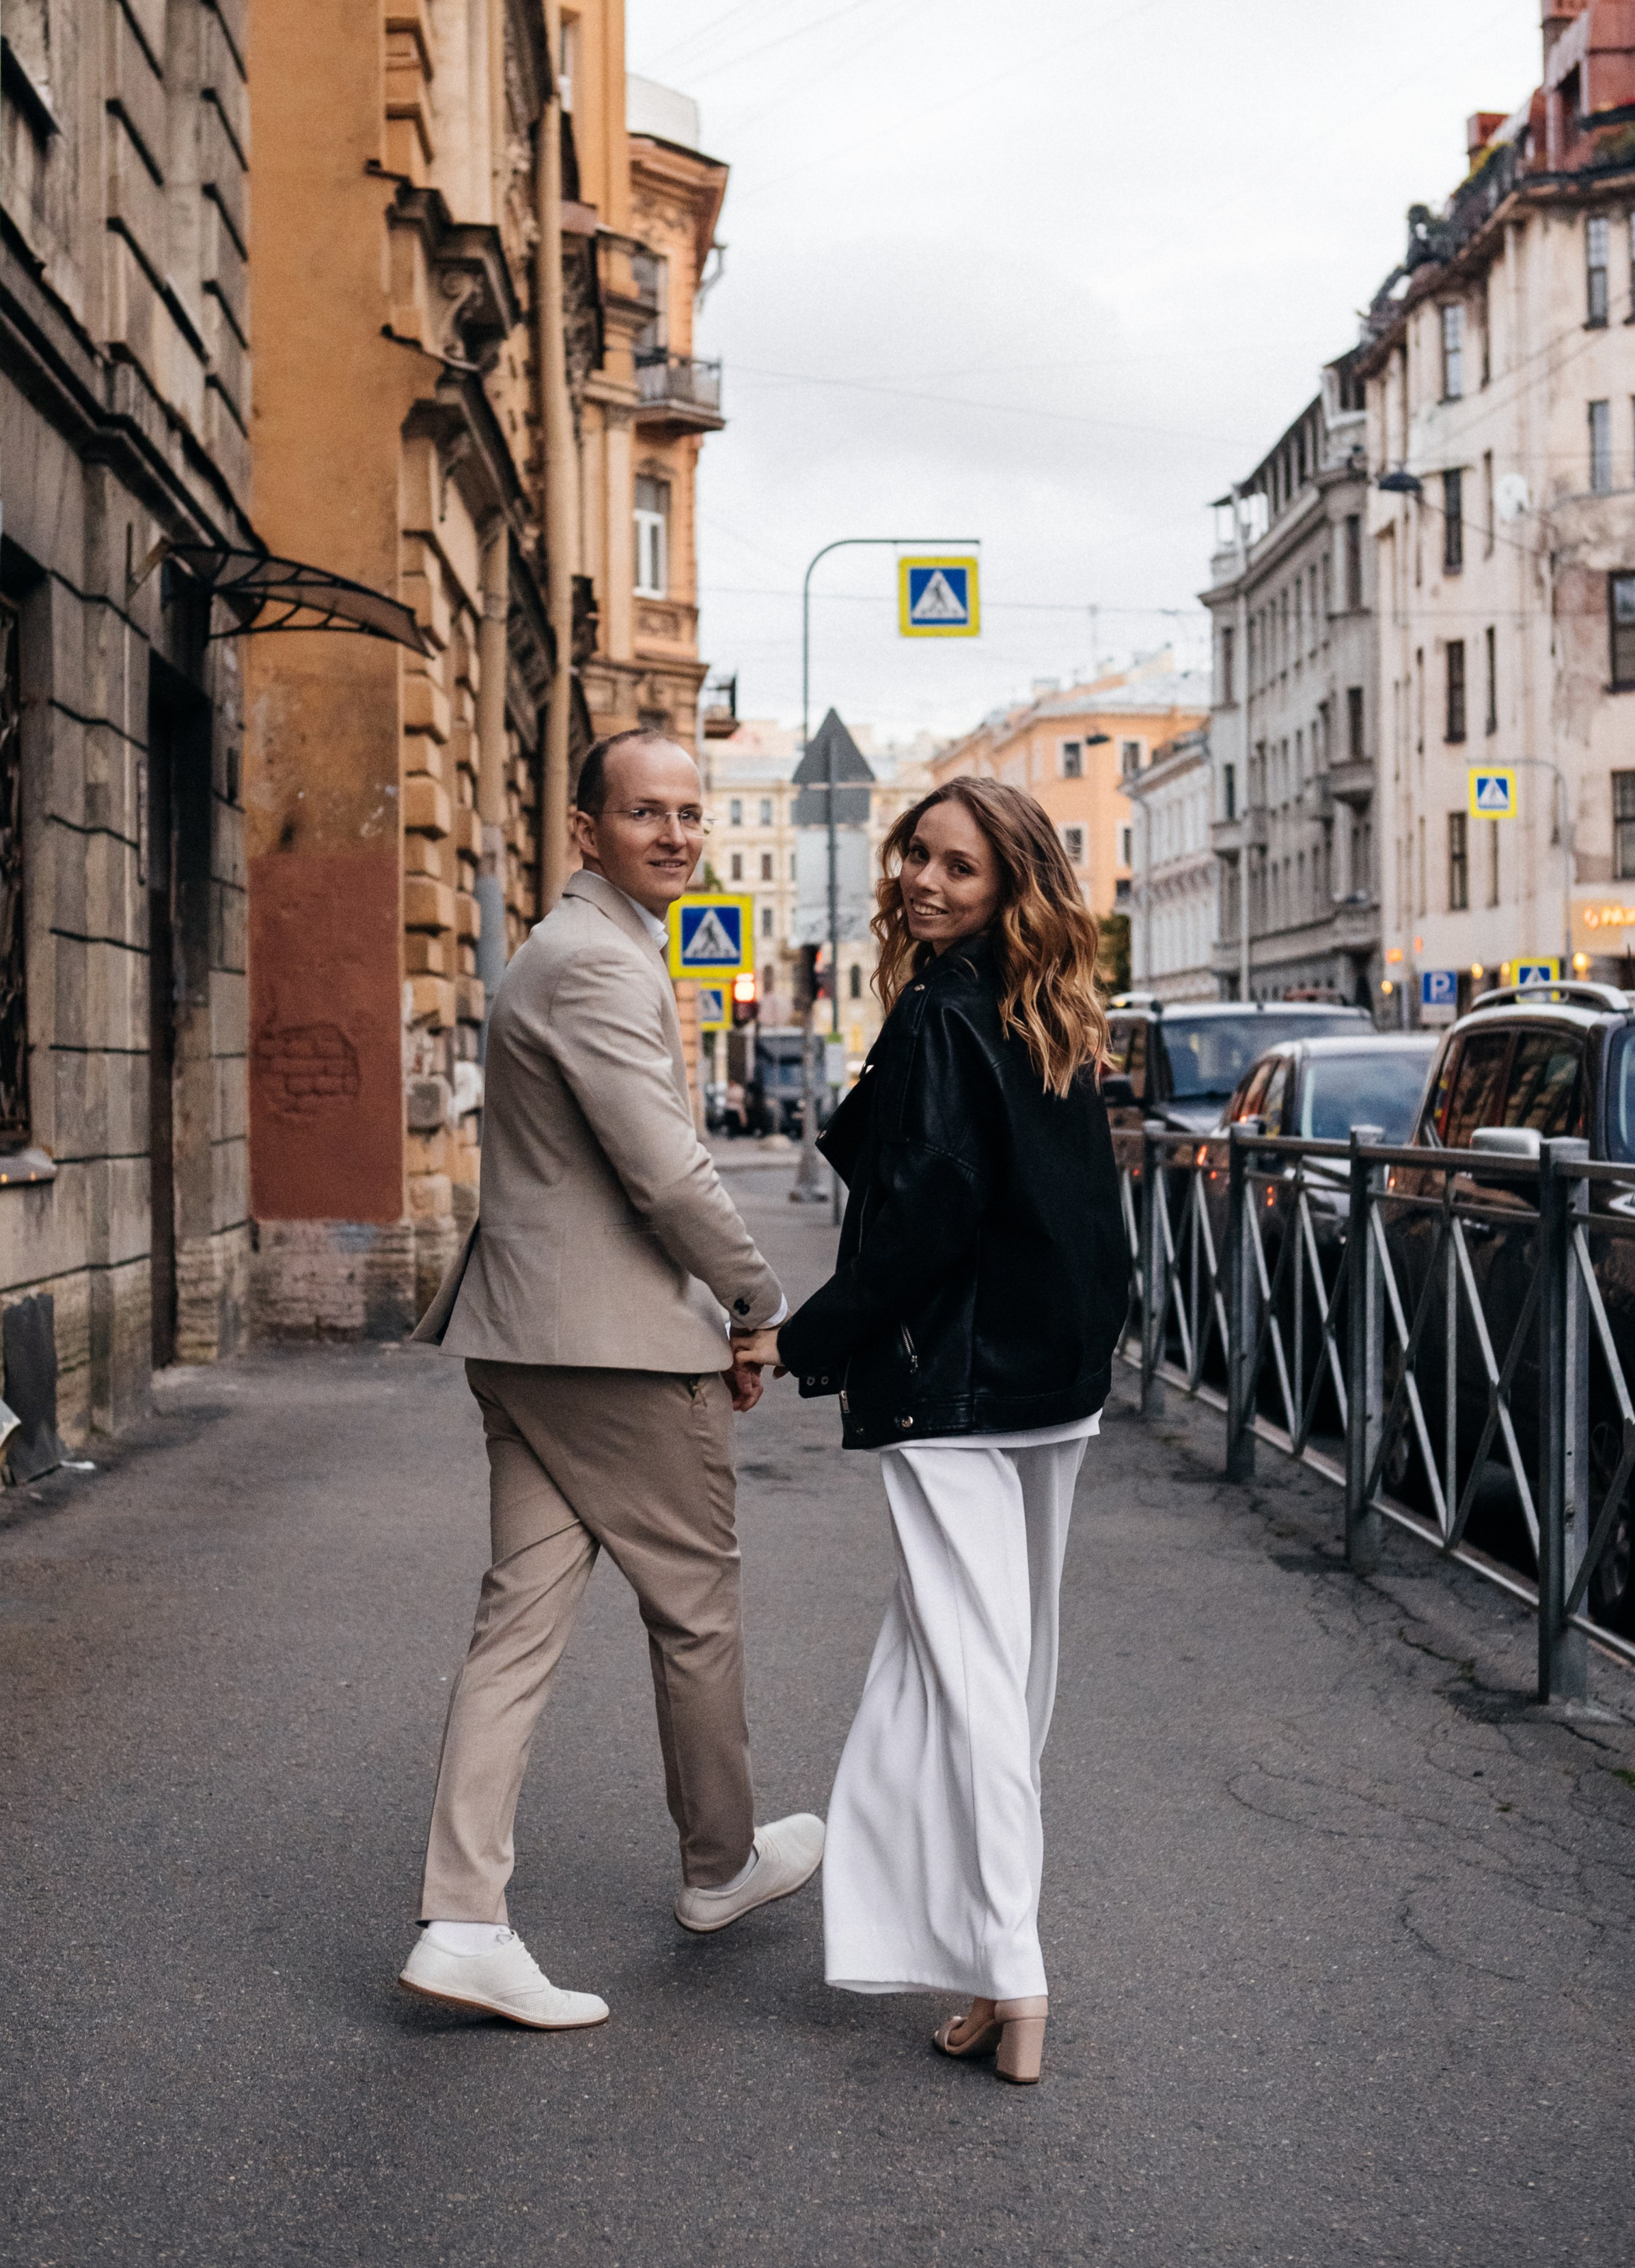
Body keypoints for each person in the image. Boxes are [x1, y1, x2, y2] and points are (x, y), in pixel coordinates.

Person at [402, 730, 824, 2030]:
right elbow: (666, 1171)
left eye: (691, 815)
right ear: (587, 828)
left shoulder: (586, 945)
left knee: (519, 1622)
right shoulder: (592, 961)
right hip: (614, 1350)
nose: (678, 836)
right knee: (696, 1608)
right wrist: (756, 1303)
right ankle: (718, 1866)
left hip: (533, 1341)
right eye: (647, 815)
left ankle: (463, 1919)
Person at [733, 778, 1127, 2086]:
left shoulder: (945, 1010)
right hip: (1052, 1384)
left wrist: (800, 1341)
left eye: (959, 868)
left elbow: (926, 1222)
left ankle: (1014, 1974)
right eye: (918, 856)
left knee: (971, 1676)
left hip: (958, 1390)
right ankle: (950, 1945)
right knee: (962, 1666)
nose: (921, 882)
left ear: (1011, 887)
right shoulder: (1051, 1009)